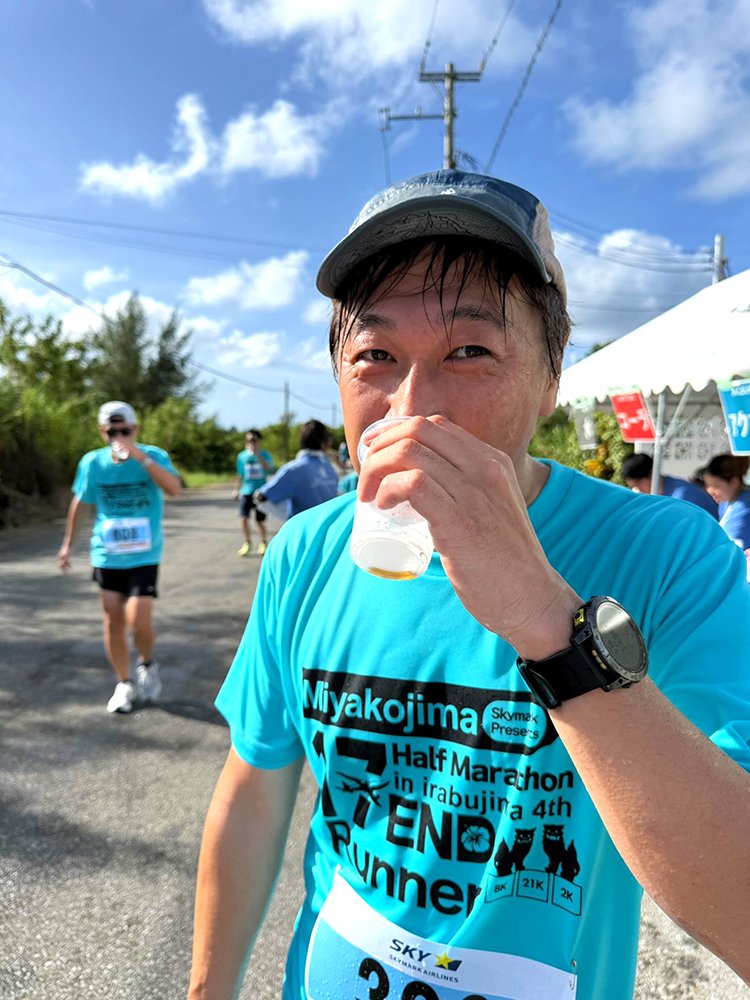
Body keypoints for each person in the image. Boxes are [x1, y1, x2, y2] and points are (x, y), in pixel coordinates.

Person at [189, 172, 750, 1000]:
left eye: (470, 352)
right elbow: (255, 787)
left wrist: (547, 618)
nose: (411, 409)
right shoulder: (305, 553)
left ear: (551, 378)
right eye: (375, 356)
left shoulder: (668, 554)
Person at [58, 401, 181, 714]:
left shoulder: (154, 456)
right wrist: (67, 545)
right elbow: (80, 503)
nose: (119, 437)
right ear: (103, 431)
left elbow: (174, 489)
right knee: (113, 620)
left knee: (138, 621)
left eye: (125, 430)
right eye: (112, 432)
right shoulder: (93, 462)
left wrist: (140, 457)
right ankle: (124, 682)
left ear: (135, 429)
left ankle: (147, 664)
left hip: (144, 554)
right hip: (107, 554)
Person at [252, 419, 338, 520]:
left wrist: (292, 521)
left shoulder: (293, 469)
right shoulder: (329, 468)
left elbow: (260, 497)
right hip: (332, 527)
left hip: (306, 528)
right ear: (324, 442)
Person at [621, 452, 718, 518]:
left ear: (651, 474)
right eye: (632, 487)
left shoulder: (682, 496)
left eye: (638, 484)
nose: (637, 490)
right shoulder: (666, 493)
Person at [232, 428, 275, 556]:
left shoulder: (265, 455)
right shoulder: (242, 456)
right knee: (243, 518)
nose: (251, 442)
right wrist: (236, 489)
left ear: (259, 441)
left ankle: (263, 543)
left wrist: (257, 455)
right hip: (246, 491)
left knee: (259, 521)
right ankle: (247, 543)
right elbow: (240, 474)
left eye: (254, 440)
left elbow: (269, 469)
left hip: (260, 492)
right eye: (249, 440)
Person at [702, 454, 750, 552]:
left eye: (716, 486)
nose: (710, 491)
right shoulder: (725, 503)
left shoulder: (745, 506)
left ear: (734, 482)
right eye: (707, 485)